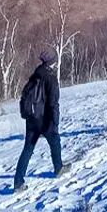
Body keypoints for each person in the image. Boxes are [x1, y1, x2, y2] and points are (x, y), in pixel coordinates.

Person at [14, 50, 69, 192]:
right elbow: (53, 103)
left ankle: (18, 182)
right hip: (44, 119)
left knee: (28, 149)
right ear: (52, 63)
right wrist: (55, 122)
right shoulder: (51, 78)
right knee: (55, 140)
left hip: (32, 118)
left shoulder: (36, 74)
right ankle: (58, 168)